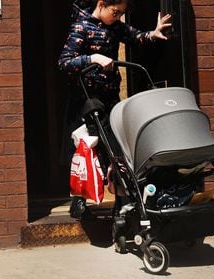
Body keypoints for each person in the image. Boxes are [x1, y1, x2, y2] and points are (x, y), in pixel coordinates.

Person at [58, 0, 172, 219]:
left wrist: (153, 34)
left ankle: (122, 201)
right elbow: (64, 62)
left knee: (116, 150)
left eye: (121, 13)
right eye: (115, 12)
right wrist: (93, 58)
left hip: (109, 97)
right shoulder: (80, 26)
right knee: (83, 148)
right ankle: (78, 200)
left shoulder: (116, 27)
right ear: (101, 4)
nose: (118, 17)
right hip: (85, 98)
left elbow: (135, 37)